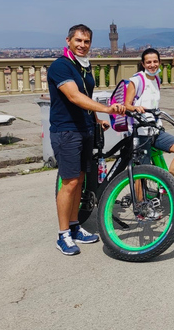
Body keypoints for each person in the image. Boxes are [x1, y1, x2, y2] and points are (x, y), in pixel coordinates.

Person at [48, 24, 125, 256]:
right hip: (66, 131)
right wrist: (107, 109)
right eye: (78, 40)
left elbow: (86, 97)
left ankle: (74, 226)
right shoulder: (61, 66)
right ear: (68, 40)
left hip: (85, 129)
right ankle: (63, 235)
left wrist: (97, 117)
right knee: (69, 183)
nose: (82, 45)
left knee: (80, 181)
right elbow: (74, 96)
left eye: (87, 41)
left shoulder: (84, 66)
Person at [123, 48, 174, 172]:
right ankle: (140, 192)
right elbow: (126, 105)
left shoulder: (156, 79)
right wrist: (135, 108)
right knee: (142, 171)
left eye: (155, 61)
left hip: (155, 130)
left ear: (159, 62)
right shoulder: (137, 80)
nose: (152, 65)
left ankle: (168, 185)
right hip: (140, 132)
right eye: (148, 62)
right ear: (143, 64)